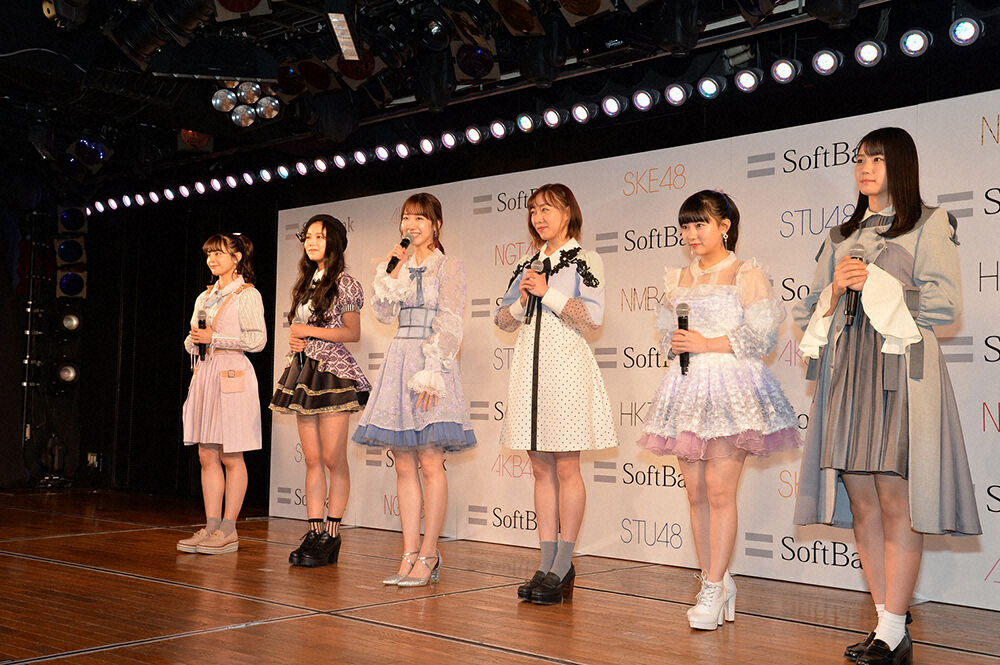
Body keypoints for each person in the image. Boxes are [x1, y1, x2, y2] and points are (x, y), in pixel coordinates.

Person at [794, 127, 981, 665]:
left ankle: (895, 627)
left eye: (876, 158)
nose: (865, 167)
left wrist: (877, 283)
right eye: (859, 159)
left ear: (899, 164)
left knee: (897, 502)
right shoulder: (839, 236)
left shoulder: (930, 223)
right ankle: (885, 625)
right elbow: (806, 312)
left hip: (900, 373)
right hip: (848, 376)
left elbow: (944, 305)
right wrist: (836, 288)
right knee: (863, 503)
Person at [637, 190, 799, 629]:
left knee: (721, 492)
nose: (691, 234)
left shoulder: (746, 273)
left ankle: (712, 587)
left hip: (731, 388)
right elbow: (665, 334)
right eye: (685, 226)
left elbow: (763, 336)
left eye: (700, 224)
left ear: (724, 226)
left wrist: (707, 343)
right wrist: (676, 342)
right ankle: (717, 579)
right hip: (688, 389)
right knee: (696, 494)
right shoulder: (676, 279)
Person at [495, 183, 618, 606]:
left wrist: (549, 292)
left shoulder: (585, 258)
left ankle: (564, 562)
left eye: (547, 209)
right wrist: (522, 298)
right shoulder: (527, 263)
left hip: (565, 365)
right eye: (533, 210)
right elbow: (503, 320)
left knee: (566, 466)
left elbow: (592, 318)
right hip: (529, 367)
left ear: (568, 212)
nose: (539, 217)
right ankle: (545, 562)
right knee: (539, 468)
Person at [352, 192, 476, 587]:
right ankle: (408, 553)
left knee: (430, 460)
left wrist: (434, 370)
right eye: (407, 217)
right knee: (403, 462)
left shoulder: (449, 266)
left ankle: (429, 553)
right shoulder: (398, 265)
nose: (412, 224)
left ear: (436, 225)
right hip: (399, 360)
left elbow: (451, 319)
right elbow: (383, 313)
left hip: (431, 363)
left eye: (420, 218)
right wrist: (391, 273)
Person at [270, 214, 370, 567]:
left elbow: (351, 333)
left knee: (332, 458)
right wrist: (297, 338)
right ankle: (314, 532)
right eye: (308, 236)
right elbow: (301, 328)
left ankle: (332, 533)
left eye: (320, 236)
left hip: (333, 374)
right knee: (312, 459)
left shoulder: (346, 283)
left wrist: (308, 331)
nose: (311, 242)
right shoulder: (305, 281)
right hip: (304, 371)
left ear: (335, 242)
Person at [177, 233, 266, 555]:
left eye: (218, 253)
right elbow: (192, 341)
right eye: (209, 254)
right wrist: (196, 340)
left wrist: (216, 338)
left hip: (233, 374)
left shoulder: (247, 294)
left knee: (231, 455)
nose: (212, 260)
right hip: (206, 372)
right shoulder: (205, 296)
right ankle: (211, 525)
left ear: (237, 257)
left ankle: (229, 529)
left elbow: (257, 340)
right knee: (207, 454)